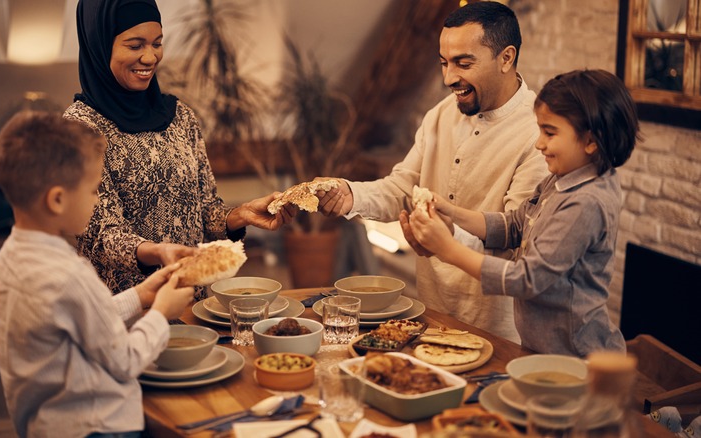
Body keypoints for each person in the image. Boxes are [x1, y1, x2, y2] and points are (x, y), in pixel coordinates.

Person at [316, 2, 547, 342]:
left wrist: (445, 238)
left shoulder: (539, 132)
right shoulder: (439, 115)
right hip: (432, 313)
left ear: (506, 58)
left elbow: (518, 243)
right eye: (444, 62)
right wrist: (351, 195)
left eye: (463, 63)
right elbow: (401, 189)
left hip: (497, 330)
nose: (448, 78)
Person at [64, 0, 295, 298]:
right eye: (135, 46)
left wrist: (241, 215)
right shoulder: (79, 128)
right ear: (99, 45)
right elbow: (99, 236)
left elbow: (204, 212)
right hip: (121, 315)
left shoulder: (180, 116)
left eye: (157, 43)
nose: (150, 57)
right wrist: (159, 252)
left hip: (188, 303)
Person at [0, 111, 196, 437]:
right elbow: (125, 360)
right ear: (57, 199)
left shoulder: (9, 260)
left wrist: (141, 295)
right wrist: (161, 312)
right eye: (93, 190)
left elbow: (80, 321)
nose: (96, 199)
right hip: (100, 427)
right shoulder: (70, 274)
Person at [409, 69, 639, 356]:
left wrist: (448, 250)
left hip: (576, 359)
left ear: (592, 141)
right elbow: (515, 225)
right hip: (540, 350)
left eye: (550, 132)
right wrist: (451, 212)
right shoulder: (561, 178)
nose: (539, 143)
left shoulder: (587, 202)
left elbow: (527, 280)